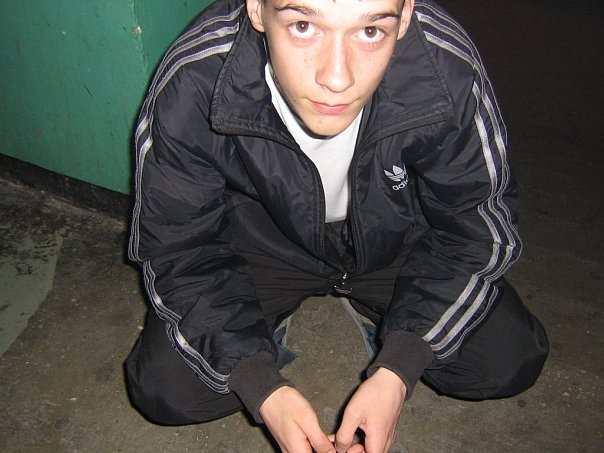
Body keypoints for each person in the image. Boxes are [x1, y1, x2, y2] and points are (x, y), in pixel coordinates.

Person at [125, 0, 549, 451]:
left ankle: (385, 316)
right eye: (302, 25)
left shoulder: (445, 68)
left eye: (370, 31)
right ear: (256, 9)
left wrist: (400, 366)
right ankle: (262, 327)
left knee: (507, 359)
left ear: (405, 15)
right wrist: (261, 385)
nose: (337, 78)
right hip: (266, 241)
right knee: (167, 388)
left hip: (395, 240)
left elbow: (477, 229)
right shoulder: (196, 79)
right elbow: (179, 248)